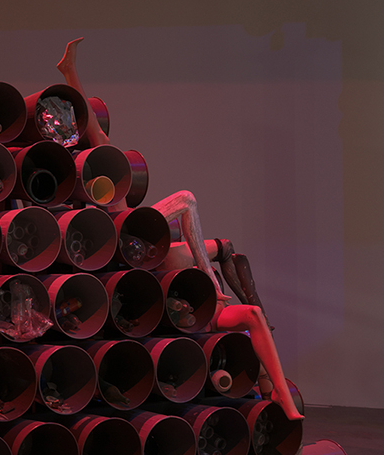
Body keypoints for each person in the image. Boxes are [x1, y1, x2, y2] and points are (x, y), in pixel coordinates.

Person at [58, 37, 301, 420]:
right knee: (186, 201)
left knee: (228, 256)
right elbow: (96, 135)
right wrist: (71, 71)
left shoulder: (134, 213)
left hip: (165, 264)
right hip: (142, 260)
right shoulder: (108, 205)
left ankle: (275, 384)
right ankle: (215, 284)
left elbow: (99, 137)